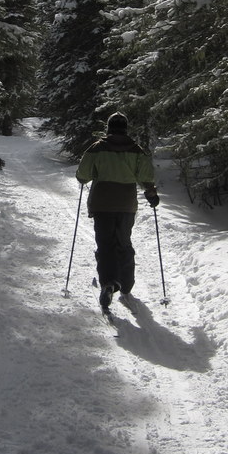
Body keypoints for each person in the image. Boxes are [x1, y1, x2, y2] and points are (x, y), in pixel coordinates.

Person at [75, 112, 159, 310]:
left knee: (105, 244)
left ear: (109, 128)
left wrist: (87, 176)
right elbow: (146, 176)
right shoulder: (136, 150)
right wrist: (151, 193)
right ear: (125, 128)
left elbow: (83, 175)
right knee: (123, 242)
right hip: (126, 204)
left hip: (102, 203)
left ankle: (109, 283)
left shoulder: (97, 148)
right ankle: (126, 285)